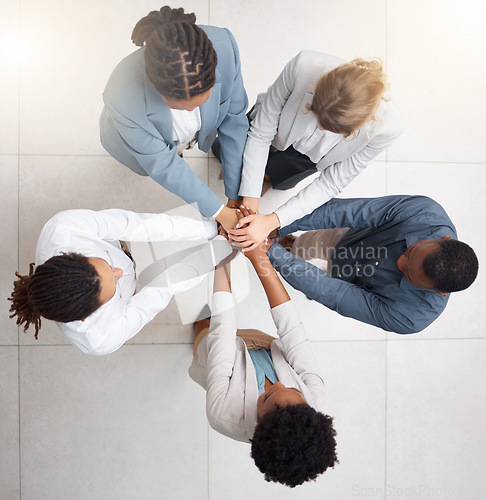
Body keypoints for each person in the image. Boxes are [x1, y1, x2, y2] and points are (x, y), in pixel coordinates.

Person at [189, 211, 338, 487]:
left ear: (257, 427)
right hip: (263, 345)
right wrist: (259, 257)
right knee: (234, 331)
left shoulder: (223, 414)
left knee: (206, 335)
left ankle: (198, 330)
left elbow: (223, 332)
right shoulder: (314, 405)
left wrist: (222, 257)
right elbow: (292, 331)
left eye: (269, 397)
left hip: (220, 357)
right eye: (294, 391)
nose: (280, 385)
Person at [227, 50, 405, 250]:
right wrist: (250, 200)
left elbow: (331, 183)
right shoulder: (304, 66)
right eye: (314, 112)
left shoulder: (388, 128)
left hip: (314, 158)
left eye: (332, 129)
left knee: (281, 175)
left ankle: (267, 178)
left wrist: (271, 221)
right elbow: (260, 133)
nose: (319, 127)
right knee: (233, 155)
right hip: (275, 127)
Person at [100, 6, 248, 230]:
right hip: (132, 137)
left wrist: (235, 194)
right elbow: (162, 163)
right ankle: (176, 147)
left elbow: (233, 121)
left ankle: (179, 146)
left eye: (199, 102)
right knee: (162, 159)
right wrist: (219, 212)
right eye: (178, 106)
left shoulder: (225, 46)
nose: (190, 113)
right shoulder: (121, 96)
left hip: (168, 133)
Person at [8, 209, 232, 356]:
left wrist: (211, 229)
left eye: (105, 263)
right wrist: (218, 250)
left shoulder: (65, 228)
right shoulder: (100, 338)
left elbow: (140, 225)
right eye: (113, 286)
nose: (119, 271)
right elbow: (163, 288)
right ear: (86, 315)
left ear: (69, 255)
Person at [254, 196, 479, 334]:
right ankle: (291, 243)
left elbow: (336, 294)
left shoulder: (411, 316)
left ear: (438, 292)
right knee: (307, 244)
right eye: (410, 251)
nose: (399, 260)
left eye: (407, 273)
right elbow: (345, 211)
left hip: (348, 284)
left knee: (317, 283)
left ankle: (293, 259)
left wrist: (270, 252)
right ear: (444, 239)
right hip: (348, 240)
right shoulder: (424, 213)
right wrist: (276, 224)